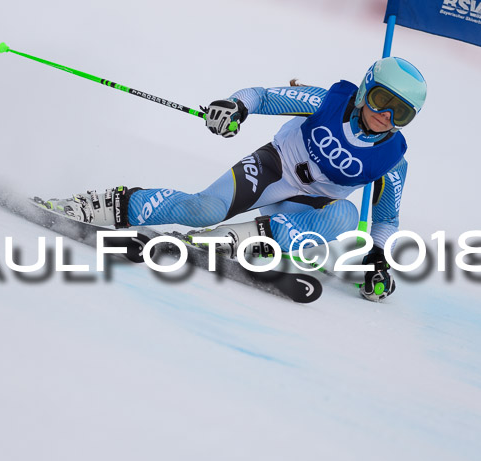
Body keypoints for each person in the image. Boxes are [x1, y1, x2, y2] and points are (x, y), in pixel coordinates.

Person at [39, 57, 427, 302]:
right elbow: (261, 96)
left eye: (401, 113)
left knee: (343, 216)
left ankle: (227, 243)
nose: (386, 117)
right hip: (275, 167)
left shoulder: (393, 160)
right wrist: (234, 106)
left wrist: (378, 257)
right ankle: (93, 206)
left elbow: (387, 219)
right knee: (202, 208)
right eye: (381, 100)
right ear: (363, 91)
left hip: (308, 207)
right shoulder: (327, 101)